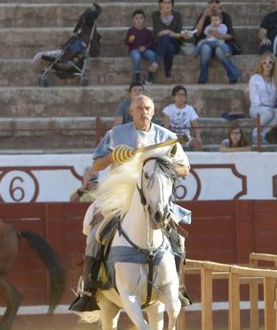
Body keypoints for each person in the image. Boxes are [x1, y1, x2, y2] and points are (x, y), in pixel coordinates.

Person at [70, 94, 191, 312]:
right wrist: (113, 157)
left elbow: (184, 168)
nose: (144, 112)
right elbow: (97, 165)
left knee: (177, 237)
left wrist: (164, 166)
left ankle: (178, 286)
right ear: (131, 111)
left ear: (153, 111)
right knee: (96, 233)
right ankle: (88, 289)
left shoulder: (167, 137)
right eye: (139, 108)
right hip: (120, 196)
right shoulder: (115, 134)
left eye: (148, 108)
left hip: (155, 198)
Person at [192, 0, 241, 84]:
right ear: (208, 3)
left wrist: (219, 35)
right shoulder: (203, 16)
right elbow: (196, 34)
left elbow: (231, 36)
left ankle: (233, 75)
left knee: (219, 50)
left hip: (223, 45)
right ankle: (202, 78)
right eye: (211, 1)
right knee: (205, 49)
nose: (214, 4)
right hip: (208, 44)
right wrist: (204, 16)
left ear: (220, 4)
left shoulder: (225, 16)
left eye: (216, 1)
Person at [249, 52, 277, 142]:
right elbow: (253, 97)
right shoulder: (255, 78)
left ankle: (263, 133)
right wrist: (263, 105)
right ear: (261, 64)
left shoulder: (276, 78)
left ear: (274, 64)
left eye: (270, 62)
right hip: (256, 108)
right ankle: (255, 134)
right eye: (264, 62)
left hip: (271, 108)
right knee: (269, 112)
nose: (267, 64)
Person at [151, 0, 184, 83]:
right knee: (169, 47)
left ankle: (156, 62)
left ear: (172, 4)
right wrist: (172, 33)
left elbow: (179, 33)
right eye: (165, 2)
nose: (167, 5)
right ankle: (168, 75)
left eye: (169, 2)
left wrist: (169, 32)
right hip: (159, 44)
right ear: (160, 4)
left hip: (175, 42)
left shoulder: (177, 15)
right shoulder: (155, 15)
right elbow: (159, 33)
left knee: (167, 38)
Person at [162, 85, 203, 151]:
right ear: (173, 97)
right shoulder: (168, 109)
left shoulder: (190, 109)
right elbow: (166, 127)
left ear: (185, 98)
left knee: (197, 144)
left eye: (183, 95)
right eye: (178, 95)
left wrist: (198, 137)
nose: (181, 97)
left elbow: (195, 125)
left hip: (186, 137)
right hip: (173, 137)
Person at [125, 9, 158, 84]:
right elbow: (126, 42)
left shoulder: (147, 31)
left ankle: (150, 75)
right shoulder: (131, 31)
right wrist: (130, 40)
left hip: (145, 49)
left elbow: (150, 42)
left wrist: (145, 47)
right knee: (137, 57)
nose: (139, 20)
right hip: (134, 49)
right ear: (133, 20)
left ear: (144, 19)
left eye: (141, 18)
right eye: (136, 18)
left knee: (152, 55)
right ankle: (137, 77)